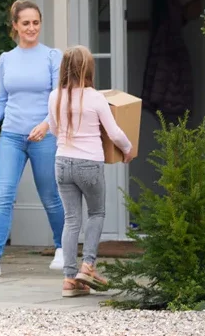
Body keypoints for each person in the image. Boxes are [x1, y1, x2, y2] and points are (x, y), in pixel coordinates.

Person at [0, 0, 65, 277]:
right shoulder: (5, 59)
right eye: (25, 23)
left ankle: (63, 249)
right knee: (4, 197)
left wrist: (47, 125)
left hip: (42, 136)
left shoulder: (52, 56)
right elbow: (2, 100)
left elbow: (59, 98)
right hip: (11, 136)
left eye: (36, 22)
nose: (31, 28)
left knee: (50, 196)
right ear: (15, 26)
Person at [47, 45, 135, 297]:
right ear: (88, 69)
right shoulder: (95, 97)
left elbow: (53, 129)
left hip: (62, 162)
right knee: (96, 213)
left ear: (64, 68)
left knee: (71, 219)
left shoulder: (55, 96)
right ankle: (88, 265)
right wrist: (128, 149)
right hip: (89, 163)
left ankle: (69, 279)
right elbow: (114, 132)